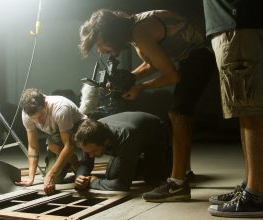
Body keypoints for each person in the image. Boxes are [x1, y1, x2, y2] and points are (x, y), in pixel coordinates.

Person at [79, 9, 216, 201]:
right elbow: (151, 64)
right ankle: (184, 174)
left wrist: (140, 87)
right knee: (181, 115)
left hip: (202, 51)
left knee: (178, 115)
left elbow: (171, 75)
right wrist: (129, 78)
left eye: (101, 44)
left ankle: (177, 184)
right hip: (191, 54)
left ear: (111, 34)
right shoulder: (134, 34)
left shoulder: (140, 32)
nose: (101, 50)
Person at [203, 0, 263, 217]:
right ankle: (251, 185)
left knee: (251, 110)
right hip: (236, 23)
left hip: (238, 23)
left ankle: (256, 194)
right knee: (245, 111)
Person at [74, 111, 171, 191]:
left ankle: (161, 161)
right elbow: (85, 163)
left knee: (153, 179)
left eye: (93, 151)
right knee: (112, 176)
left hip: (155, 135)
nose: (91, 156)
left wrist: (94, 182)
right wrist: (80, 177)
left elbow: (122, 185)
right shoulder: (89, 135)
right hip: (132, 135)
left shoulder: (125, 137)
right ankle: (133, 159)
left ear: (106, 142)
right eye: (88, 152)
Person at [16, 88, 86, 195]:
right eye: (34, 119)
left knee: (52, 175)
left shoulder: (60, 108)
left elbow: (69, 145)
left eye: (41, 116)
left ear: (46, 104)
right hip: (58, 134)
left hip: (79, 131)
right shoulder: (26, 114)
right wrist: (31, 178)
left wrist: (50, 175)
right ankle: (71, 160)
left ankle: (66, 157)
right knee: (57, 179)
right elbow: (33, 146)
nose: (38, 121)